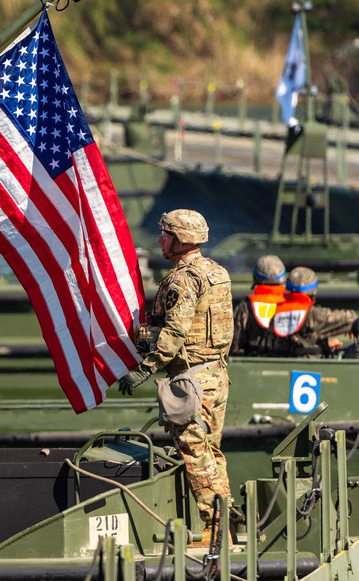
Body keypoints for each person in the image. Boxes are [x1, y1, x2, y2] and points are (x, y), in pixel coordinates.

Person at [118, 209, 233, 547]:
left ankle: (215, 530)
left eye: (165, 235)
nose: (159, 240)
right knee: (211, 452)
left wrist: (142, 370)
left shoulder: (182, 279)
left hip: (191, 380)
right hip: (216, 374)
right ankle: (223, 524)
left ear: (180, 240)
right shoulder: (218, 273)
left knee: (196, 451)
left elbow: (175, 332)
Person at [270, 267, 357, 358]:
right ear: (314, 292)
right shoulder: (314, 315)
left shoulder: (274, 310)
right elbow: (350, 318)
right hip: (308, 369)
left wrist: (324, 345)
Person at [230, 255, 287, 357]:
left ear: (255, 277)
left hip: (250, 367)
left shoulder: (245, 307)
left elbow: (234, 345)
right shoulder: (289, 305)